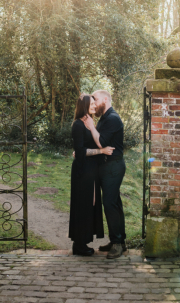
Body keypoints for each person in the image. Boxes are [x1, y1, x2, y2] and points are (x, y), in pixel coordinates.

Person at [69, 94, 114, 256]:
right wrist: (101, 151)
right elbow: (80, 152)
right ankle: (79, 245)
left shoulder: (88, 123)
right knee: (83, 204)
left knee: (91, 203)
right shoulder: (78, 125)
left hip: (91, 169)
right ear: (85, 105)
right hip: (83, 170)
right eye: (92, 104)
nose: (95, 106)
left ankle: (82, 242)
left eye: (95, 103)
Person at [82, 90, 126, 259]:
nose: (93, 103)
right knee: (114, 203)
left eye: (96, 99)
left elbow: (101, 142)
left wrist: (91, 126)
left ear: (105, 99)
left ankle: (117, 244)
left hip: (113, 167)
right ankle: (120, 241)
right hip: (107, 167)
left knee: (109, 204)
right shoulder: (105, 118)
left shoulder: (112, 118)